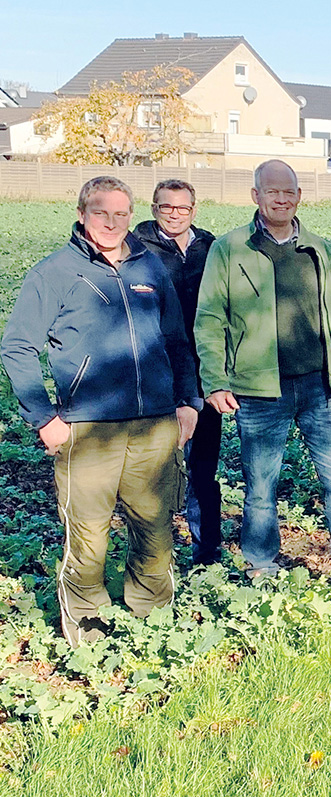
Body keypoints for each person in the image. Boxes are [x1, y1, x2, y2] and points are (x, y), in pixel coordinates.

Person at [2, 176, 200, 645]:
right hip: (87, 430)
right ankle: (88, 633)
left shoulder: (150, 268)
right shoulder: (54, 273)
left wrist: (188, 402)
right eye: (100, 213)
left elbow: (176, 342)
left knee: (154, 530)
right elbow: (17, 348)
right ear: (81, 214)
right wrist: (44, 418)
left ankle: (152, 623)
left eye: (120, 214)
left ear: (132, 216)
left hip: (154, 425)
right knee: (88, 539)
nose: (111, 223)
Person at [195, 160, 331, 579]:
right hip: (259, 390)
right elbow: (209, 318)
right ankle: (260, 562)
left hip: (320, 385)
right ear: (255, 195)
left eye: (289, 191)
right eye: (272, 191)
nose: (281, 198)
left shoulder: (319, 248)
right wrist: (215, 381)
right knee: (260, 485)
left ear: (299, 196)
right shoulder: (230, 248)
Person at [133, 179, 223, 564]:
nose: (174, 214)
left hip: (204, 371)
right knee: (157, 470)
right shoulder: (135, 249)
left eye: (182, 208)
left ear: (194, 210)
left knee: (204, 468)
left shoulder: (210, 247)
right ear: (154, 208)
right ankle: (155, 555)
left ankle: (207, 553)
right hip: (157, 374)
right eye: (166, 207)